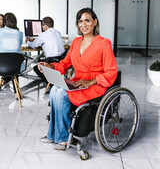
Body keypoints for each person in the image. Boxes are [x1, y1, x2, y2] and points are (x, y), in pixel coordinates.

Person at [38, 8, 118, 150]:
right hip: (78, 81)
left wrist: (91, 81)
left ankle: (62, 138)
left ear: (95, 22)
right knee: (54, 90)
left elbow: (111, 71)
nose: (83, 24)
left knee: (61, 93)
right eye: (80, 21)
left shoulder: (104, 43)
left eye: (87, 20)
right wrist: (50, 65)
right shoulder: (76, 42)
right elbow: (64, 63)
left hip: (95, 84)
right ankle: (53, 134)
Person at [26, 16, 65, 82]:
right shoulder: (58, 33)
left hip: (52, 61)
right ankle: (55, 79)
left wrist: (28, 41)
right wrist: (37, 39)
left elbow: (33, 45)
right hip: (62, 60)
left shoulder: (43, 35)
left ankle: (52, 83)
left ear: (46, 26)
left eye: (42, 25)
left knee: (36, 68)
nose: (42, 27)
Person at [0, 12, 23, 90]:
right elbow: (18, 47)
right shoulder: (20, 34)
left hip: (1, 65)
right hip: (15, 66)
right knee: (14, 61)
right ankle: (17, 92)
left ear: (4, 22)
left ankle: (5, 79)